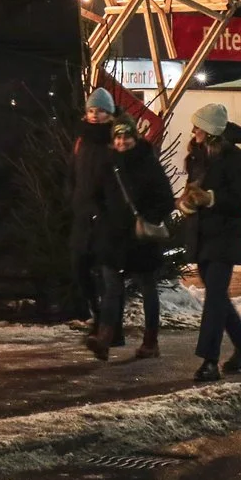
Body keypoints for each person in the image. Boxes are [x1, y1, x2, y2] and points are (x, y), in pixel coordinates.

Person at [86, 119, 176, 360]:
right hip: (113, 237)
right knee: (112, 288)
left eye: (126, 137)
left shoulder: (148, 164)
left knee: (148, 288)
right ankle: (104, 338)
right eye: (117, 137)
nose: (122, 142)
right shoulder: (108, 164)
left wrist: (147, 217)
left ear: (135, 138)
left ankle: (150, 341)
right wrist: (103, 218)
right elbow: (95, 194)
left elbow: (166, 199)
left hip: (140, 238)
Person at [183, 104, 241, 382]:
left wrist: (211, 198)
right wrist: (188, 202)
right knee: (218, 297)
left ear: (211, 130)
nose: (194, 131)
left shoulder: (234, 159)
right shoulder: (197, 156)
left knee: (214, 298)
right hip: (202, 234)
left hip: (225, 236)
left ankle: (209, 360)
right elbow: (194, 190)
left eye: (198, 126)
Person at [67, 88, 119, 330]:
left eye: (100, 111)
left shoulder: (115, 140)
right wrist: (72, 198)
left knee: (107, 274)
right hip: (82, 213)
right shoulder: (81, 140)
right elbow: (72, 173)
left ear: (109, 113)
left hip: (107, 216)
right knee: (80, 266)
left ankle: (110, 326)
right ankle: (96, 313)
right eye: (91, 111)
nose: (95, 115)